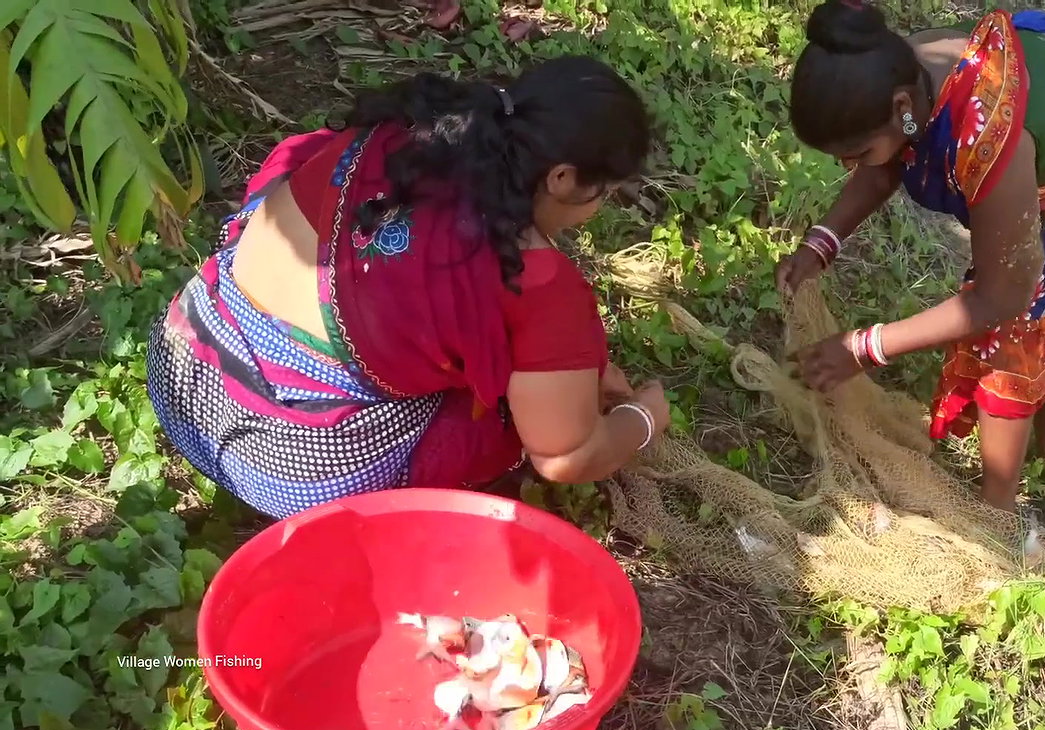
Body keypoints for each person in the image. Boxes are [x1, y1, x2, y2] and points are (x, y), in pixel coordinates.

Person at [147, 56, 671, 519]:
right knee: (496, 425)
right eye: (602, 192)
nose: (599, 208)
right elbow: (563, 456)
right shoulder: (536, 281)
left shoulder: (406, 136)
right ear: (561, 178)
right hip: (288, 471)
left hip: (183, 368)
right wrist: (642, 419)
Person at [779, 1, 1045, 512]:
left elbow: (1003, 295)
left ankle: (999, 508)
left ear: (904, 104)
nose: (846, 165)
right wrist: (821, 242)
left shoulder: (990, 139)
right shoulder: (892, 76)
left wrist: (865, 347)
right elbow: (888, 161)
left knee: (1033, 311)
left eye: (853, 152)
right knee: (1040, 291)